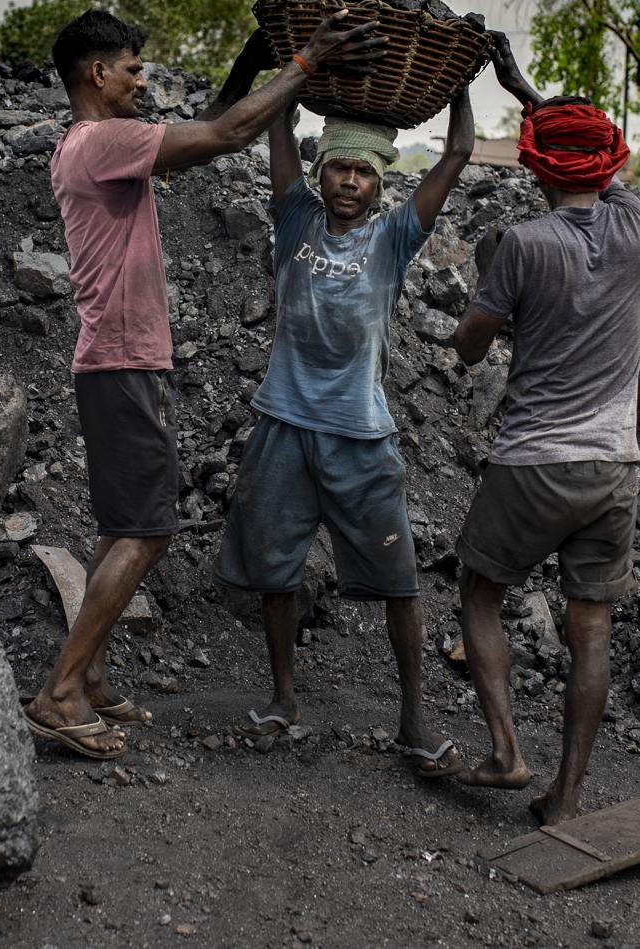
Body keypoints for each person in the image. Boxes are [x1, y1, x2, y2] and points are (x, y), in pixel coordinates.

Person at [24, 6, 381, 761]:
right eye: (131, 67)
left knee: (125, 525)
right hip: (123, 359)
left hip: (117, 358)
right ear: (97, 73)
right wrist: (308, 64)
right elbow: (226, 136)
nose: (141, 79)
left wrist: (254, 60)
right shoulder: (102, 141)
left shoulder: (88, 145)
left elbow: (213, 122)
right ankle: (59, 693)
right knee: (148, 530)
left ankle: (84, 675)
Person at [215, 91, 474, 775]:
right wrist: (298, 68)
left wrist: (465, 83)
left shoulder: (393, 236)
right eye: (339, 170)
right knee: (275, 570)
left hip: (359, 435)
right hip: (284, 424)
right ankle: (281, 698)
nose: (350, 184)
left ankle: (414, 722)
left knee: (399, 581)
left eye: (363, 173)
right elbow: (276, 122)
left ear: (379, 180)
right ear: (320, 171)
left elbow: (458, 154)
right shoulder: (295, 218)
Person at [445, 96, 640, 826]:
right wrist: (539, 99)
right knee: (590, 629)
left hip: (534, 459)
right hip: (614, 465)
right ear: (606, 160)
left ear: (533, 163)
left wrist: (477, 317)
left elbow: (472, 342)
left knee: (478, 590)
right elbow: (603, 163)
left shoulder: (525, 242)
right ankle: (565, 798)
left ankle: (506, 751)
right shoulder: (636, 224)